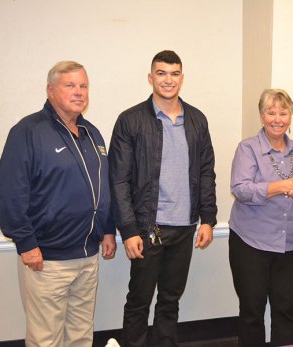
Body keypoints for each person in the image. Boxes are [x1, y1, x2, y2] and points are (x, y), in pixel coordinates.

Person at [0, 61, 117, 346]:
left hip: (88, 256)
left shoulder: (92, 133)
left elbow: (103, 186)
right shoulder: (28, 131)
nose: (79, 92)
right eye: (70, 85)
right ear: (51, 91)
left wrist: (108, 229)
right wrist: (25, 243)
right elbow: (9, 193)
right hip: (46, 259)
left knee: (81, 334)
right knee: (46, 338)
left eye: (83, 86)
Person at [108, 50, 217, 347]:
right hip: (148, 228)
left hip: (185, 226)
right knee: (139, 301)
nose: (168, 80)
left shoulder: (196, 120)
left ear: (182, 78)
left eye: (174, 73)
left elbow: (207, 171)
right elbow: (118, 180)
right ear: (150, 77)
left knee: (170, 300)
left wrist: (208, 219)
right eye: (161, 73)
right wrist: (129, 230)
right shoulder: (130, 121)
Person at [228, 89, 293, 346]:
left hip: (291, 243)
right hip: (251, 243)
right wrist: (282, 186)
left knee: (285, 310)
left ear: (290, 116)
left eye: (283, 113)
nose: (277, 118)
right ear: (261, 115)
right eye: (271, 112)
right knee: (252, 312)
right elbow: (240, 189)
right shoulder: (247, 148)